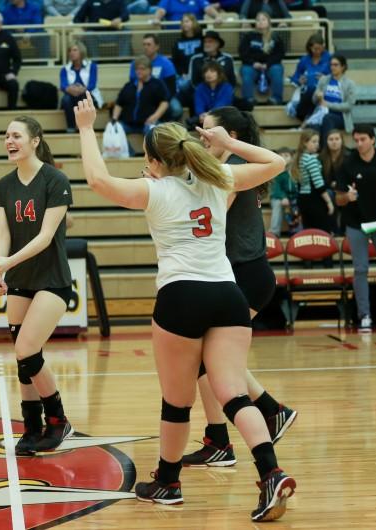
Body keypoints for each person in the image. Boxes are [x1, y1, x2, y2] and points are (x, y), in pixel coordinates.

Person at [73, 93, 295, 520]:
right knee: (232, 394)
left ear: (156, 160)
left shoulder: (154, 190)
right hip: (228, 296)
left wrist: (86, 129)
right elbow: (276, 163)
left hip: (181, 295)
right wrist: (225, 141)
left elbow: (98, 181)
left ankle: (168, 482)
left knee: (177, 402)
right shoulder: (218, 179)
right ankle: (271, 472)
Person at [178, 106, 297, 472]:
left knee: (209, 360)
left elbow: (208, 215)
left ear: (227, 136)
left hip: (245, 274)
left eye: (207, 130)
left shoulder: (227, 173)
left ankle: (224, 438)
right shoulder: (225, 169)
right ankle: (267, 414)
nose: (201, 135)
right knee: (211, 359)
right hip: (241, 275)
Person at [0, 115, 75, 456]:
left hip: (52, 280)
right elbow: (3, 232)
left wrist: (8, 263)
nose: (9, 141)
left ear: (35, 140)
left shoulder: (55, 180)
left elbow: (45, 236)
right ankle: (31, 426)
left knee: (27, 348)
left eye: (16, 135)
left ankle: (58, 420)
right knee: (23, 358)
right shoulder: (5, 184)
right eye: (6, 135)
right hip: (20, 281)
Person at [334, 124, 376, 332]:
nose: (359, 143)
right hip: (356, 223)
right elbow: (338, 199)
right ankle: (364, 315)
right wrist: (347, 197)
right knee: (360, 269)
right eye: (356, 140)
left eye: (363, 139)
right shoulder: (347, 164)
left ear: (373, 139)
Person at [112, 55, 169, 136]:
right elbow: (119, 104)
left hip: (148, 123)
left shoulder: (158, 84)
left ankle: (147, 149)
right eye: (137, 69)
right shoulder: (128, 85)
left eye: (142, 69)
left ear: (149, 70)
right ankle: (130, 149)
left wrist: (155, 117)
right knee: (114, 129)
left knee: (151, 130)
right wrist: (114, 119)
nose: (139, 71)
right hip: (128, 124)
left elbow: (164, 103)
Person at [291, 128, 334, 232]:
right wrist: (329, 202)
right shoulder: (311, 159)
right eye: (314, 141)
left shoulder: (299, 158)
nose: (317, 144)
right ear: (305, 143)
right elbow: (319, 184)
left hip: (302, 199)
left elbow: (296, 183)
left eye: (318, 141)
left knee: (309, 232)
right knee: (323, 233)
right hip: (314, 200)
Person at [239, 12, 286, 106]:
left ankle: (276, 99)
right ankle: (248, 100)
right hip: (252, 66)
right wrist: (253, 63)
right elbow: (243, 53)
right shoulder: (248, 36)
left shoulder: (275, 36)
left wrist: (268, 64)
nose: (260, 22)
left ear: (269, 22)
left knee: (277, 70)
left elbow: (280, 54)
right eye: (258, 20)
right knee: (246, 71)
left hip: (270, 66)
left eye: (263, 19)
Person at [129, 34, 180, 120]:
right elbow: (132, 84)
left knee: (177, 109)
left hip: (164, 96)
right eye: (144, 44)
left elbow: (172, 88)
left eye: (149, 44)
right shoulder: (135, 63)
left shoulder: (166, 63)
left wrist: (162, 102)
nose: (145, 47)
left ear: (157, 46)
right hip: (144, 95)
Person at [314, 54, 355, 148]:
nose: (332, 67)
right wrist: (317, 96)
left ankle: (325, 152)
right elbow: (314, 100)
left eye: (336, 65)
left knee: (328, 119)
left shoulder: (349, 84)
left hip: (340, 117)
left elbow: (349, 106)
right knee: (313, 126)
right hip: (321, 113)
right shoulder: (324, 80)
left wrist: (328, 104)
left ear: (343, 66)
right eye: (331, 65)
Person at [60, 41, 102, 132]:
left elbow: (92, 84)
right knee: (66, 99)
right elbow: (63, 85)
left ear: (81, 52)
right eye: (70, 50)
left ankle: (85, 127)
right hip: (71, 96)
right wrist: (71, 89)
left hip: (87, 94)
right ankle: (71, 128)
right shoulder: (64, 69)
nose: (71, 53)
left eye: (75, 50)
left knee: (84, 97)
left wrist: (81, 90)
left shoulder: (92, 66)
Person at [289, 33, 331, 123]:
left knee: (314, 91)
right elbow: (295, 77)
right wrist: (299, 80)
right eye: (315, 49)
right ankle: (307, 116)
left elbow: (337, 76)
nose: (318, 51)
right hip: (307, 91)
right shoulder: (304, 60)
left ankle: (307, 118)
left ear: (323, 47)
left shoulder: (329, 58)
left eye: (320, 48)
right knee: (310, 90)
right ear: (310, 48)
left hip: (324, 91)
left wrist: (325, 78)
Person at [319, 128, 348, 234]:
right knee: (330, 195)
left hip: (345, 188)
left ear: (342, 141)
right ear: (326, 142)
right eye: (331, 139)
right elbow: (320, 179)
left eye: (337, 139)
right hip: (328, 189)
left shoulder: (348, 156)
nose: (334, 142)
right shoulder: (321, 157)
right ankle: (333, 230)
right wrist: (331, 185)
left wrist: (339, 186)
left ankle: (345, 229)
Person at [172, 14, 203, 108]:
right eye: (183, 22)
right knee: (182, 85)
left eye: (187, 21)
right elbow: (176, 61)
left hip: (199, 76)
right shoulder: (178, 42)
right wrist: (182, 73)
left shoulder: (202, 39)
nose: (184, 24)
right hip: (184, 75)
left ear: (194, 22)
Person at [268, 147, 296, 235]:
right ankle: (274, 232)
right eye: (281, 156)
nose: (284, 158)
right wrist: (283, 197)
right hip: (278, 197)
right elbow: (276, 189)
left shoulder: (295, 171)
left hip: (292, 197)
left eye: (287, 156)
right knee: (277, 204)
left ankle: (298, 231)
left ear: (292, 158)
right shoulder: (276, 171)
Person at [153, 0, 219, 22]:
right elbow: (161, 11)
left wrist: (217, 17)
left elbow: (208, 8)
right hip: (173, 34)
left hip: (195, 35)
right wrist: (157, 19)